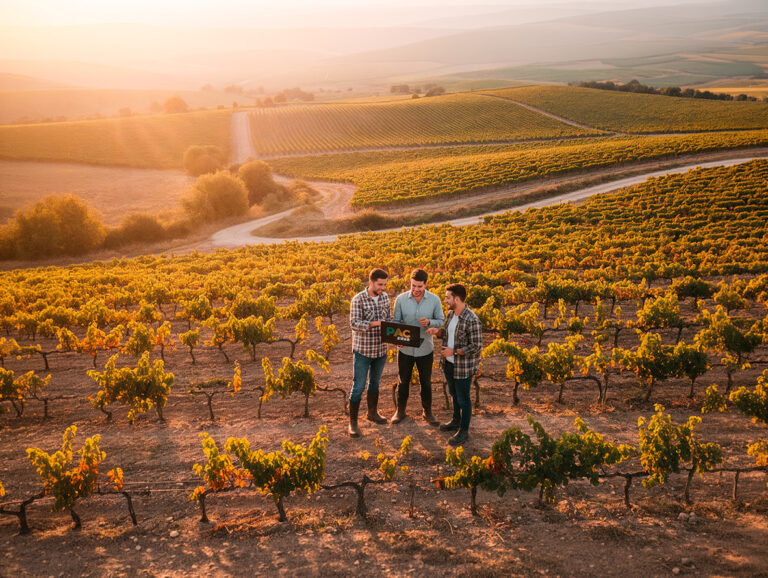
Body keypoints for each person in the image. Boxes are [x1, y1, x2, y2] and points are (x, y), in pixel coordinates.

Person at [426, 283, 482, 446]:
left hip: (463, 367)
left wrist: (455, 351)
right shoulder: (451, 314)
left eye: (447, 297)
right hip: (448, 364)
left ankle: (464, 431)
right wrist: (438, 332)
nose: (445, 300)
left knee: (464, 399)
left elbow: (476, 346)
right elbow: (447, 334)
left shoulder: (472, 319)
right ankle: (455, 421)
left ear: (457, 299)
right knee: (454, 395)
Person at [391, 268, 444, 425]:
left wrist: (429, 322)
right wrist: (397, 339)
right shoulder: (400, 299)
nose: (416, 289)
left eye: (419, 286)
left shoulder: (435, 300)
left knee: (425, 382)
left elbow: (441, 320)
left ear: (426, 284)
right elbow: (396, 322)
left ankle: (427, 412)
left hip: (425, 348)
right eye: (413, 285)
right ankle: (400, 411)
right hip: (405, 348)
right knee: (403, 381)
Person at [348, 268, 392, 437]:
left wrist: (397, 337)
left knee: (375, 383)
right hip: (363, 351)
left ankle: (372, 413)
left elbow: (388, 320)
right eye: (380, 284)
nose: (383, 288)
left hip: (380, 349)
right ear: (371, 282)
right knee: (358, 386)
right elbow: (354, 324)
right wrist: (374, 324)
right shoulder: (358, 299)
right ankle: (353, 423)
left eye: (385, 284)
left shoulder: (385, 297)